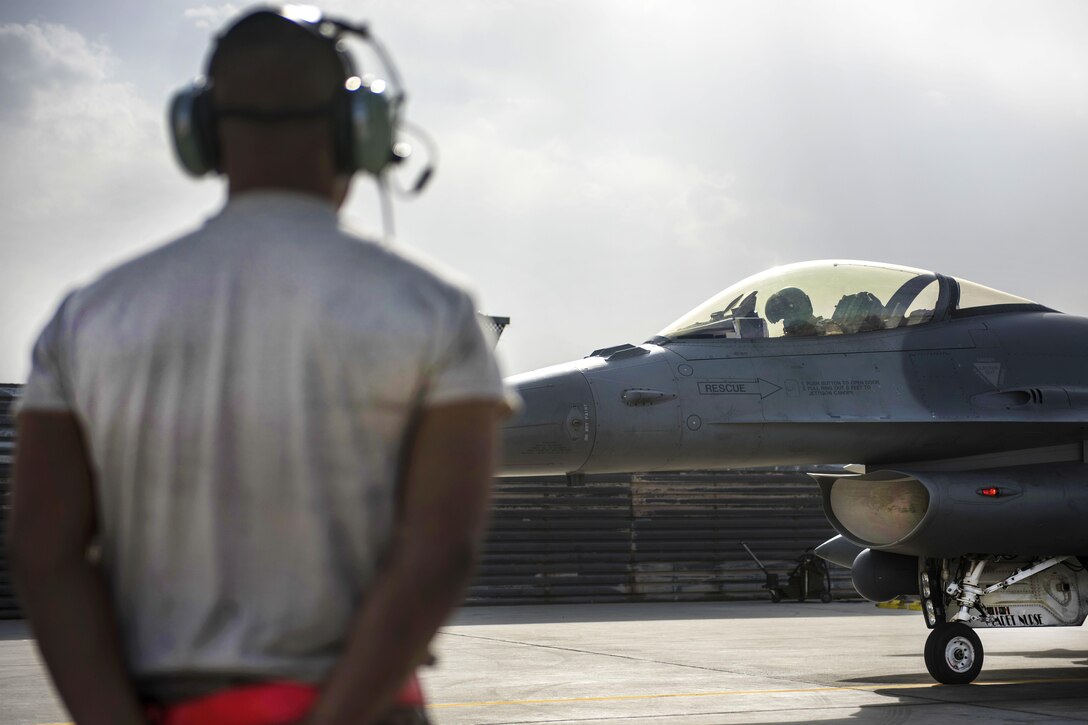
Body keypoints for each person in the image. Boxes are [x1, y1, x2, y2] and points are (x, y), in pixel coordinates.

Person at [7, 7, 510, 725]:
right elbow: (441, 550)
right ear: (359, 131)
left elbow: (42, 549)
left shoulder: (87, 314)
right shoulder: (434, 308)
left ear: (200, 131)